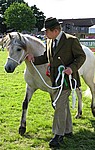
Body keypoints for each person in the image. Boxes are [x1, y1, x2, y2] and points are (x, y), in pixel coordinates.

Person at [26, 17, 86, 149]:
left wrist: (72, 68)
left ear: (55, 30)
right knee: (62, 105)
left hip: (67, 79)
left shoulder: (71, 40)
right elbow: (46, 58)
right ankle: (68, 130)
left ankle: (58, 135)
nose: (44, 34)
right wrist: (33, 59)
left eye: (46, 31)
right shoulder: (49, 41)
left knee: (59, 105)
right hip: (54, 80)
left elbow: (81, 56)